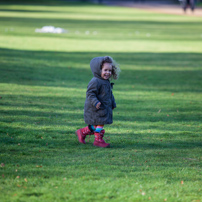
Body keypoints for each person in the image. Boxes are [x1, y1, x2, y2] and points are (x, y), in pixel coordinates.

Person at [75, 56, 120, 148]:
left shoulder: (106, 81)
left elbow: (110, 94)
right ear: (98, 70)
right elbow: (90, 93)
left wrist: (113, 103)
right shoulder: (95, 81)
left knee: (97, 125)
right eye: (105, 70)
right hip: (95, 107)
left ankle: (82, 132)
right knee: (100, 123)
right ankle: (98, 140)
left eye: (110, 71)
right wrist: (95, 102)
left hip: (103, 107)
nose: (108, 73)